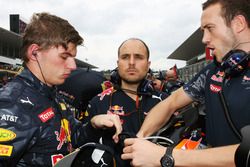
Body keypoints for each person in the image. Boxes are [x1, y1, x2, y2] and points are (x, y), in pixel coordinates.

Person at [121, 0, 250, 166]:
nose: (204, 39)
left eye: (209, 28)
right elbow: (171, 103)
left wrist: (165, 155)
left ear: (239, 23)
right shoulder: (213, 70)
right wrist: (140, 138)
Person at [0, 12, 122, 167]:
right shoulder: (10, 105)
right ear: (34, 53)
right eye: (64, 57)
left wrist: (93, 124)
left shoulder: (53, 95)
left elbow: (74, 138)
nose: (73, 66)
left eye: (73, 57)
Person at [85, 38, 168, 166]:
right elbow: (82, 147)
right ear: (118, 63)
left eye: (139, 57)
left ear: (148, 64)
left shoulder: (166, 102)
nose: (131, 62)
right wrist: (92, 125)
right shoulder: (98, 102)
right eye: (125, 57)